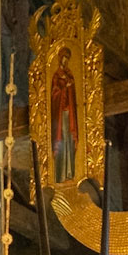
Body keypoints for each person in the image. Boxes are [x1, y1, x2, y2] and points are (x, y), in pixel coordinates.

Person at [50, 46, 78, 182]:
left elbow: (73, 95)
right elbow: (54, 93)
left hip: (69, 112)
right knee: (61, 139)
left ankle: (69, 172)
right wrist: (62, 89)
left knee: (68, 139)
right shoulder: (56, 75)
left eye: (67, 60)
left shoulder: (70, 74)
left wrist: (69, 86)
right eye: (64, 59)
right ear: (60, 59)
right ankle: (60, 173)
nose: (65, 62)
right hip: (60, 114)